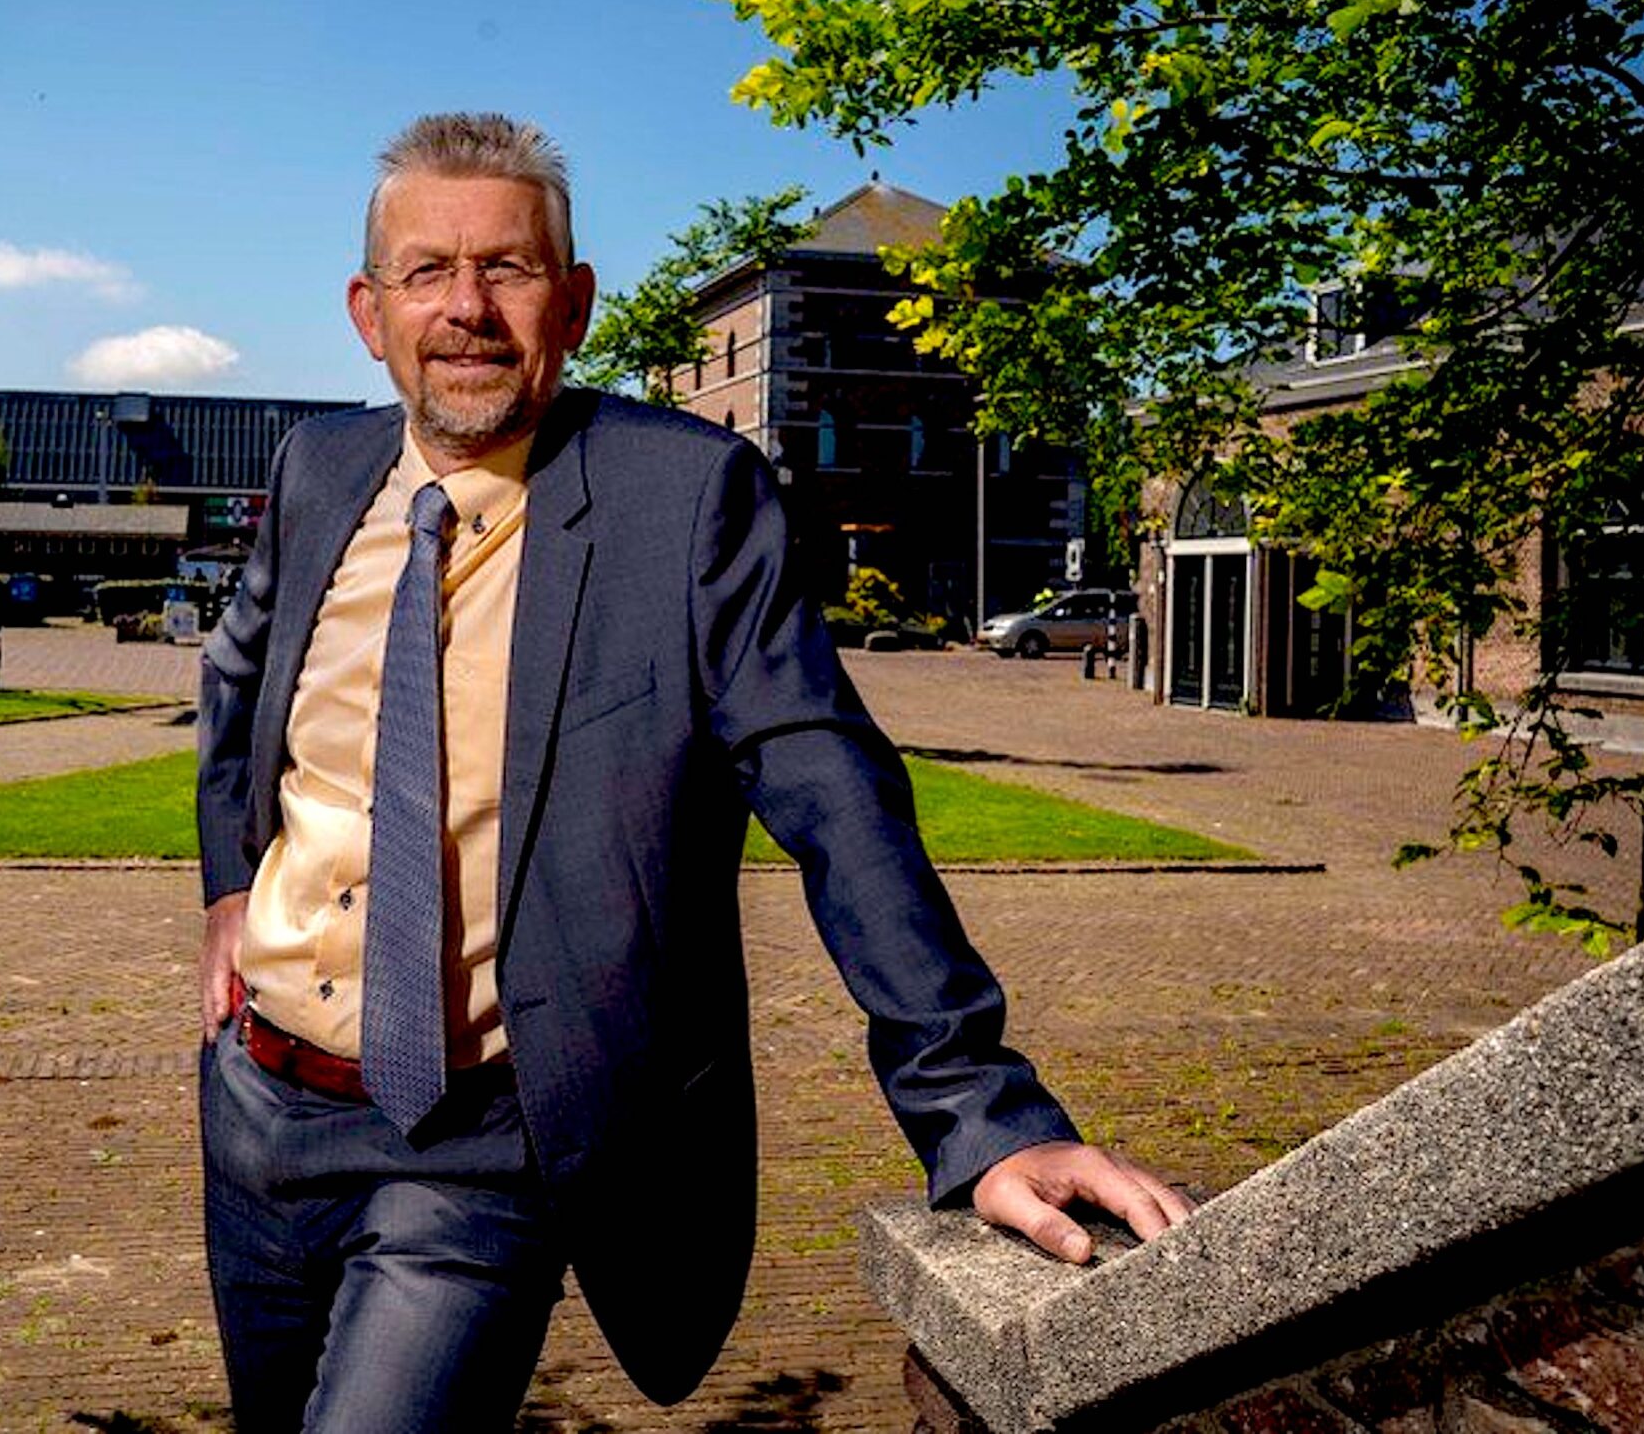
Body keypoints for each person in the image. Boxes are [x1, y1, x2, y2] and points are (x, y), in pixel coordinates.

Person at [195, 112, 1191, 1432]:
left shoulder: (685, 498)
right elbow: (237, 680)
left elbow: (833, 792)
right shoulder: (318, 468)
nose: (468, 308)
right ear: (369, 313)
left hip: (475, 1152)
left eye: (508, 268)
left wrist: (980, 1111)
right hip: (256, 1114)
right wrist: (227, 890)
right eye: (427, 271)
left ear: (575, 304)